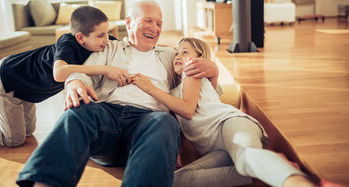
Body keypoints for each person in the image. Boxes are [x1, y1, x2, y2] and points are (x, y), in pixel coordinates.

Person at [16, 0, 220, 187]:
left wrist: (213, 71)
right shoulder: (109, 48)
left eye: (159, 23)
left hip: (148, 123)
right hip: (107, 118)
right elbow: (82, 75)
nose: (155, 28)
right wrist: (74, 84)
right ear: (129, 22)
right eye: (148, 20)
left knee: (165, 122)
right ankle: (44, 183)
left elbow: (204, 91)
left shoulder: (169, 55)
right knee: (76, 113)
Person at [131, 37, 320, 187]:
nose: (178, 56)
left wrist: (151, 89)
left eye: (185, 51)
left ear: (199, 59)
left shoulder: (192, 72)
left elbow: (188, 109)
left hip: (229, 124)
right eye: (176, 53)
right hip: (217, 149)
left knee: (245, 156)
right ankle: (265, 170)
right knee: (176, 179)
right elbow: (179, 128)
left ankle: (298, 182)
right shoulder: (172, 95)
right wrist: (175, 153)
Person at [0, 6, 122, 147]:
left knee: (28, 131)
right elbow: (59, 73)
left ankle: (8, 121)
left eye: (107, 33)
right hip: (9, 78)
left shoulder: (104, 43)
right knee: (14, 140)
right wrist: (105, 69)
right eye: (100, 35)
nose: (106, 39)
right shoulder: (67, 42)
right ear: (80, 38)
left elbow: (124, 48)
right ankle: (8, 123)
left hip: (28, 88)